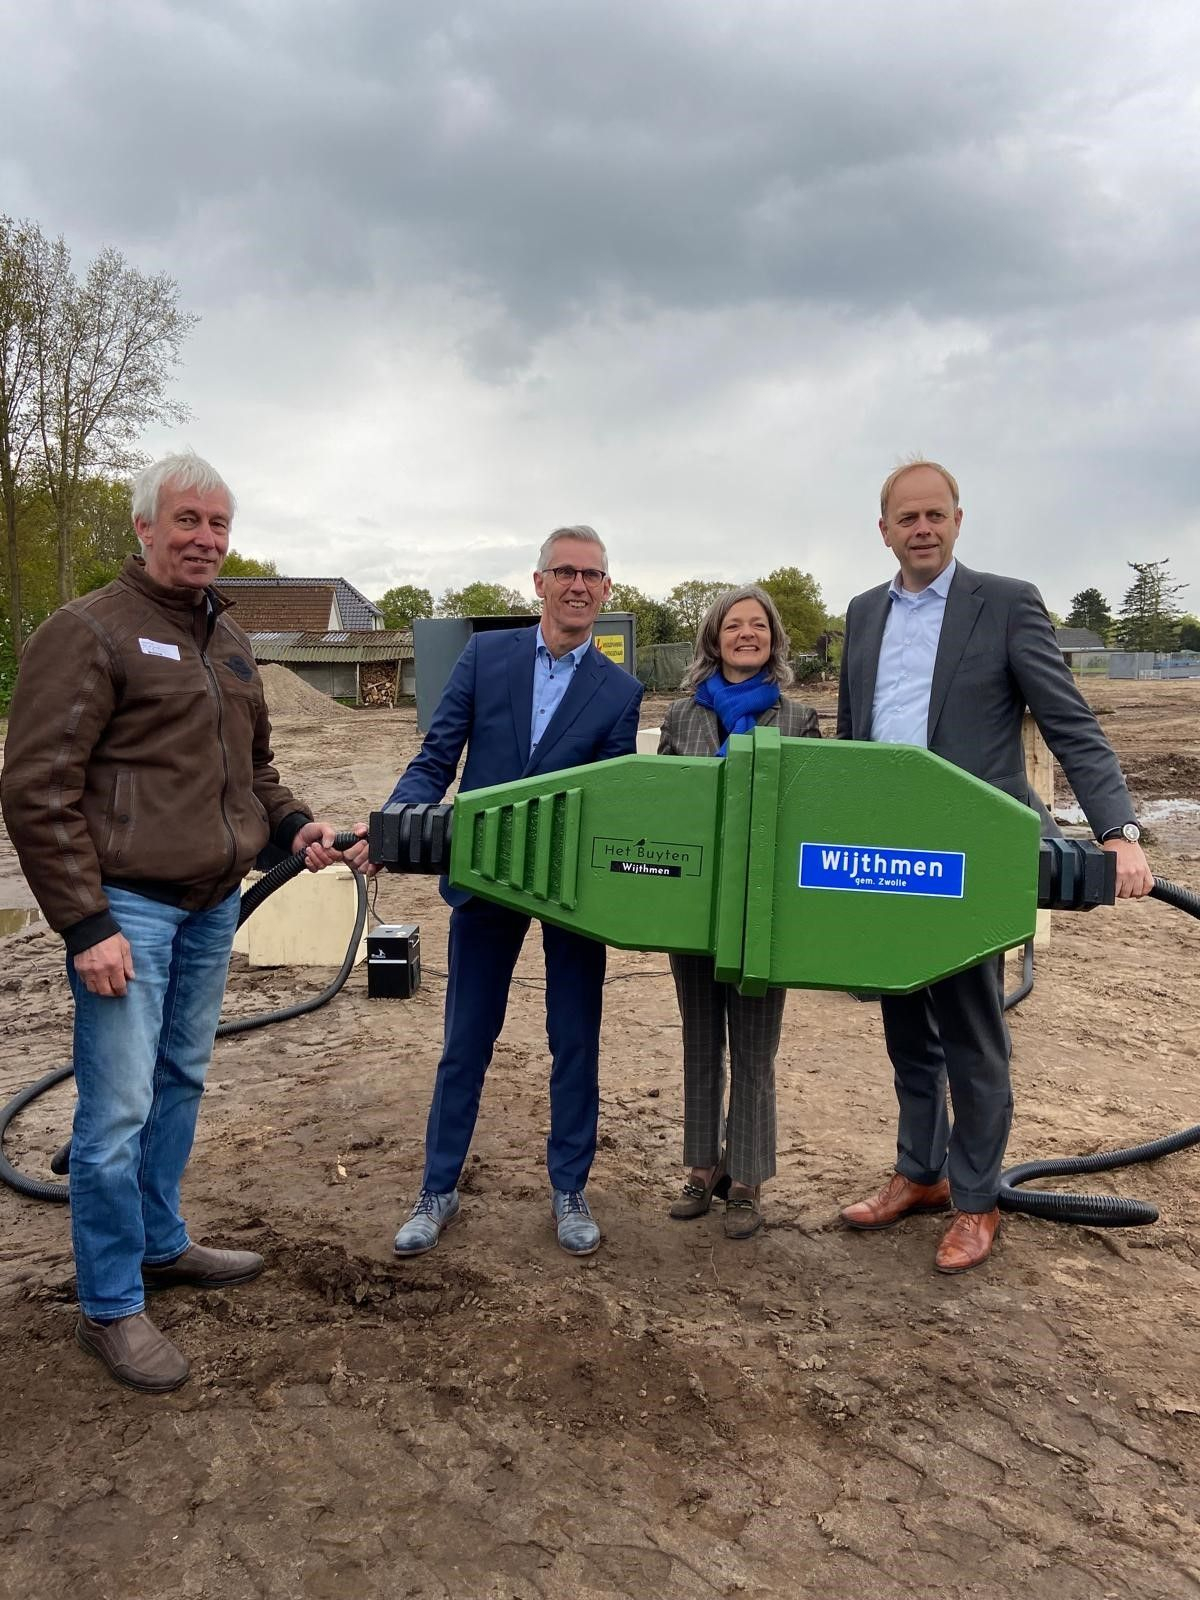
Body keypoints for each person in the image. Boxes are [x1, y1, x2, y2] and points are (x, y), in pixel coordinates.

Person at [1, 452, 368, 1393]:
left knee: (179, 1082)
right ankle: (111, 1304)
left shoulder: (231, 641)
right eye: (187, 520)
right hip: (127, 909)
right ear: (144, 527)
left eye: (218, 524)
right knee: (115, 1109)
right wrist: (86, 926)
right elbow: (36, 790)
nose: (205, 538)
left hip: (210, 909)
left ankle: (161, 1242)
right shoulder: (87, 631)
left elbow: (255, 772)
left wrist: (294, 826)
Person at [836, 458, 1153, 1272]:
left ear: (957, 520)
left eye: (935, 515)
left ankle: (977, 1201)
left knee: (972, 1030)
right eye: (907, 518)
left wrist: (1117, 830)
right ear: (884, 531)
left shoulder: (1006, 603)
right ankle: (922, 1171)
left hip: (970, 851)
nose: (922, 528)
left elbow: (1069, 722)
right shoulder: (864, 613)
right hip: (884, 853)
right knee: (904, 1019)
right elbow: (851, 743)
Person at [385, 526, 643, 1258]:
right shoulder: (487, 656)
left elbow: (614, 800)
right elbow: (438, 756)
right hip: (485, 876)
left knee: (574, 1040)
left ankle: (570, 1189)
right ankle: (437, 1188)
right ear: (538, 582)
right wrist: (396, 825)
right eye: (565, 571)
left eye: (593, 575)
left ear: (606, 589)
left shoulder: (620, 691)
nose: (579, 586)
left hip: (571, 891)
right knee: (466, 1038)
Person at [658, 586, 819, 1238]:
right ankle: (703, 1168)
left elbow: (808, 819)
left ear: (773, 639)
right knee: (701, 1038)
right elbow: (664, 810)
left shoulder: (799, 719)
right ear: (714, 639)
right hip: (694, 907)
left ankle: (747, 1179)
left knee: (754, 1048)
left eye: (758, 626)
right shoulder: (681, 718)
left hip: (763, 911)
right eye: (734, 626)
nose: (746, 634)